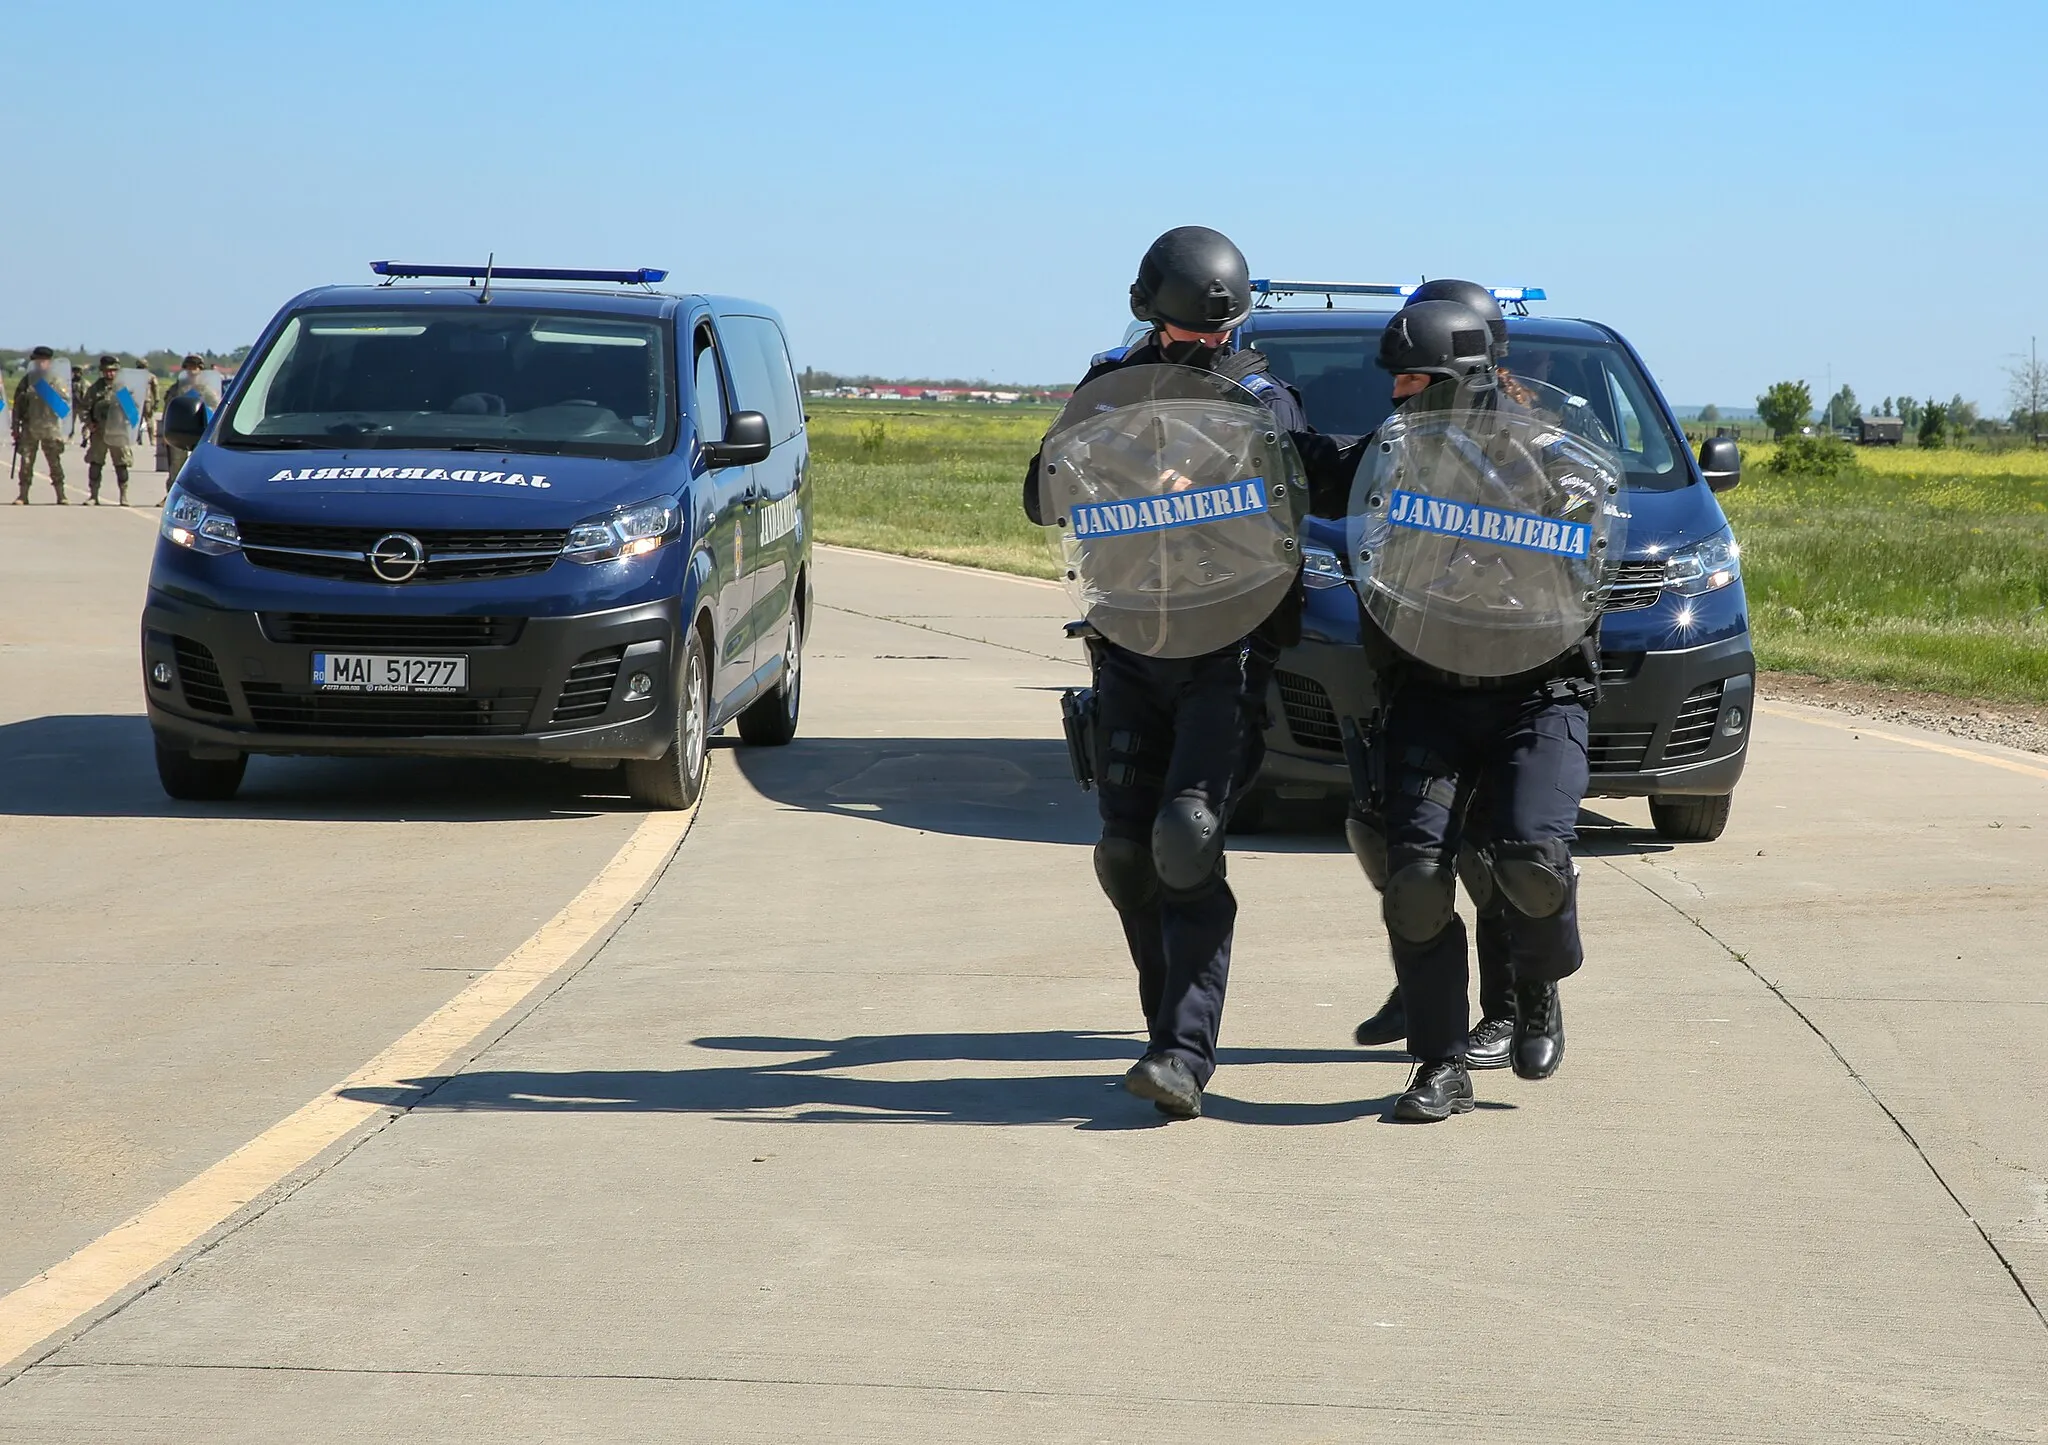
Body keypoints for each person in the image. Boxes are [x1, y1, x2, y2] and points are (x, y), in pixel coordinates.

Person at [1022, 225, 1318, 1120]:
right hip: (1127, 645)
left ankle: (1184, 1051)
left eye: (1214, 339)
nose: (1200, 350)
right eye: (1186, 337)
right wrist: (1107, 453)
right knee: (1125, 854)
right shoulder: (1108, 382)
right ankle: (1166, 1034)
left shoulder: (1265, 398)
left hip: (1222, 649)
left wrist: (1212, 467)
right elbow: (1043, 494)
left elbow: (1290, 498)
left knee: (1187, 837)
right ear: (1150, 315)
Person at [1312, 291, 1601, 1122]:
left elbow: (1594, 550)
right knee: (1414, 881)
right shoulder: (1389, 455)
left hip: (1535, 690)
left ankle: (1537, 987)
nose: (1397, 396)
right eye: (1394, 381)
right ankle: (1440, 1064)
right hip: (1428, 688)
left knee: (1530, 864)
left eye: (1413, 379)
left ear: (1464, 377)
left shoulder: (1553, 456)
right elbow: (1308, 478)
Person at [1351, 281, 1520, 1070]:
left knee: (1493, 853)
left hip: (1505, 671)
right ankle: (1421, 983)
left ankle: (1515, 1002)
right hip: (1411, 663)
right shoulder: (1402, 444)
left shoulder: (1526, 451)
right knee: (1388, 836)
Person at [11, 347, 69, 504]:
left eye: (43, 360)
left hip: (50, 428)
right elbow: (17, 405)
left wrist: (49, 393)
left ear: (49, 362)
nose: (40, 363)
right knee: (26, 462)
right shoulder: (27, 380)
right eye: (37, 360)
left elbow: (64, 407)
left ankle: (61, 494)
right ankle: (23, 495)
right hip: (30, 427)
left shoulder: (56, 380)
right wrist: (15, 428)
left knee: (54, 462)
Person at [81, 354, 137, 505]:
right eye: (107, 371)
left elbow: (132, 411)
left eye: (113, 371)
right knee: (95, 463)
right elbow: (85, 408)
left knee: (121, 464)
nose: (110, 374)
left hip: (118, 433)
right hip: (99, 432)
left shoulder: (122, 389)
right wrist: (89, 422)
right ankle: (93, 495)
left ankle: (123, 496)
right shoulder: (95, 389)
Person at [161, 355, 209, 497]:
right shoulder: (177, 389)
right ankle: (172, 496)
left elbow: (216, 407)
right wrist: (165, 432)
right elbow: (168, 410)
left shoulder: (206, 390)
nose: (192, 371)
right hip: (180, 432)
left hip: (202, 433)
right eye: (189, 368)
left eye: (195, 368)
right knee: (176, 466)